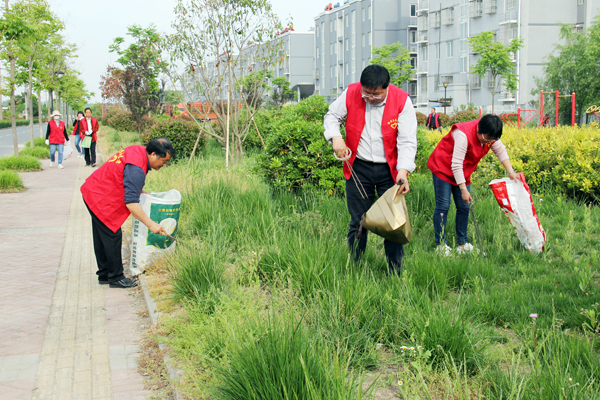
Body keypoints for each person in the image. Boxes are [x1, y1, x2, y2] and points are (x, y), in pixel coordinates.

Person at [324, 64, 417, 275]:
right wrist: (336, 137)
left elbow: (407, 140)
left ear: (387, 88)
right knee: (358, 221)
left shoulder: (402, 100)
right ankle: (355, 268)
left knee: (393, 223)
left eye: (376, 94)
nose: (370, 98)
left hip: (390, 170)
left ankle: (395, 272)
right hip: (359, 167)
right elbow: (332, 116)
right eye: (366, 93)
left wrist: (403, 171)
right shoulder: (352, 92)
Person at [80, 138, 174, 288]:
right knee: (112, 236)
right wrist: (151, 225)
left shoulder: (138, 150)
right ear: (153, 154)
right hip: (100, 197)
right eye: (164, 161)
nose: (164, 165)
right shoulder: (137, 170)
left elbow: (125, 175)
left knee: (101, 236)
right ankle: (116, 278)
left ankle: (104, 274)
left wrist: (138, 190)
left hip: (93, 189)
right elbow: (132, 204)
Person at [426, 114, 519, 256]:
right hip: (443, 167)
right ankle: (441, 245)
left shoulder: (490, 135)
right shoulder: (463, 134)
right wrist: (463, 190)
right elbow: (456, 164)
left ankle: (462, 243)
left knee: (464, 206)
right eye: (486, 138)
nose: (488, 142)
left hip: (462, 171)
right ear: (479, 130)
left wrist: (510, 171)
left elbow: (500, 151)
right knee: (443, 206)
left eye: (492, 139)